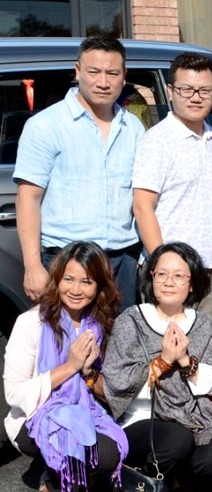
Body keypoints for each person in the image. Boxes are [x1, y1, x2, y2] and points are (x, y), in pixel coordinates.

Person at [14, 36, 145, 310]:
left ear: (124, 75)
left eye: (112, 73)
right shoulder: (46, 125)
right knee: (67, 338)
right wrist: (33, 266)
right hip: (65, 262)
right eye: (94, 72)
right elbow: (28, 198)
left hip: (122, 263)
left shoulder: (133, 127)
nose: (103, 82)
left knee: (123, 338)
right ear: (77, 71)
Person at [2, 242, 128, 492]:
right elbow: (15, 394)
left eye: (87, 281)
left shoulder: (101, 325)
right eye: (68, 279)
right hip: (35, 416)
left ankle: (62, 472)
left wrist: (87, 372)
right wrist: (70, 367)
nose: (75, 289)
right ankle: (52, 482)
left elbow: (108, 393)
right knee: (80, 459)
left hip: (86, 414)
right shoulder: (31, 322)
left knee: (109, 453)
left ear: (99, 286)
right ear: (56, 279)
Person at [100, 242, 212, 492]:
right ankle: (151, 481)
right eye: (161, 274)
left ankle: (176, 475)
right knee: (176, 439)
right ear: (151, 278)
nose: (169, 282)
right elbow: (116, 383)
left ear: (192, 284)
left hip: (191, 417)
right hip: (140, 419)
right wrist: (163, 361)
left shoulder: (204, 327)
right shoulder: (131, 321)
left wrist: (184, 361)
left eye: (179, 275)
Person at [133, 52, 212, 320]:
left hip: (206, 268)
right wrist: (163, 266)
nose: (196, 97)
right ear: (171, 92)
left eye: (204, 90)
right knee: (164, 342)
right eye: (186, 89)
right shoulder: (158, 140)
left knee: (202, 343)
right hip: (168, 273)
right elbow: (142, 206)